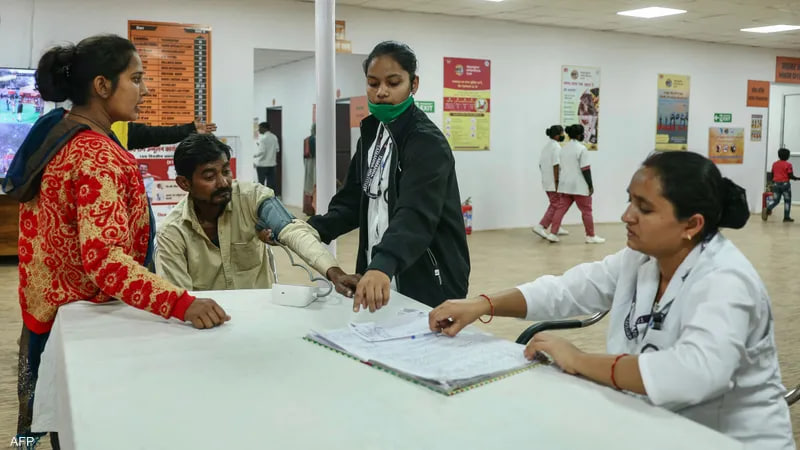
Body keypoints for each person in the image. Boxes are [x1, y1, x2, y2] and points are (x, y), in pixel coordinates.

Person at [429, 151, 793, 449]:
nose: (626, 216)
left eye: (644, 209)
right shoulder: (642, 259)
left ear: (692, 225)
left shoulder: (725, 281)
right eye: (629, 201)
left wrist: (580, 360)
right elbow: (568, 289)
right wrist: (483, 304)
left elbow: (693, 374)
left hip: (725, 440)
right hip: (655, 426)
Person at [1, 34, 230, 447]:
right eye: (137, 79)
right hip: (81, 328)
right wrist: (182, 303)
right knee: (83, 430)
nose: (146, 90)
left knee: (46, 425)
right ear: (102, 86)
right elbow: (105, 262)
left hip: (46, 313)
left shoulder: (58, 130)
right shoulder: (96, 156)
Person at [308, 40, 470, 313]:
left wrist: (384, 264)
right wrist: (313, 230)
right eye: (373, 83)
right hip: (378, 275)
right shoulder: (372, 134)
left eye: (393, 83)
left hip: (425, 280)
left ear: (413, 84)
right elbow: (353, 201)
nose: (381, 92)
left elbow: (415, 214)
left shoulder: (426, 142)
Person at [156, 133, 359, 295]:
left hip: (260, 315)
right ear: (184, 183)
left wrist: (334, 272)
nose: (223, 182)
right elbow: (178, 299)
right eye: (209, 176)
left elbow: (292, 230)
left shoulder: (251, 197)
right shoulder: (172, 232)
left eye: (226, 171)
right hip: (206, 323)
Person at [549, 124, 604, 244]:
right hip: (579, 185)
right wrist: (590, 185)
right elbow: (585, 169)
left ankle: (552, 233)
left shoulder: (563, 149)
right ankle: (590, 236)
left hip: (565, 185)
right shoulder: (581, 149)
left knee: (560, 210)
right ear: (579, 135)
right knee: (586, 211)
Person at [532, 125, 569, 242]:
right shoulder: (556, 148)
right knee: (556, 205)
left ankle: (556, 226)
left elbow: (540, 165)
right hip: (554, 182)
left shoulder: (546, 147)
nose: (564, 135)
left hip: (547, 181)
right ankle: (541, 226)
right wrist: (557, 182)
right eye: (562, 133)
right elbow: (556, 165)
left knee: (555, 204)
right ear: (557, 135)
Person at [110, 119, 217, 150]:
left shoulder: (118, 126)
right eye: (135, 79)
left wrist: (189, 129)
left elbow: (154, 135)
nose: (144, 91)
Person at [763, 147, 798, 223]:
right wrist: (797, 178)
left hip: (776, 184)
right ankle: (786, 217)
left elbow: (772, 174)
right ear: (787, 156)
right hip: (785, 185)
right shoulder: (788, 165)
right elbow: (790, 176)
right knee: (787, 201)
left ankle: (768, 208)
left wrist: (771, 183)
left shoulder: (775, 164)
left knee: (776, 200)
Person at [254, 121, 280, 191]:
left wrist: (254, 155)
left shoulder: (263, 138)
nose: (258, 130)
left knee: (261, 185)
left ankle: (262, 197)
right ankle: (270, 197)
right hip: (272, 165)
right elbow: (277, 150)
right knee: (271, 185)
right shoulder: (274, 137)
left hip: (262, 165)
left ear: (264, 128)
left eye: (260, 128)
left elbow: (261, 151)